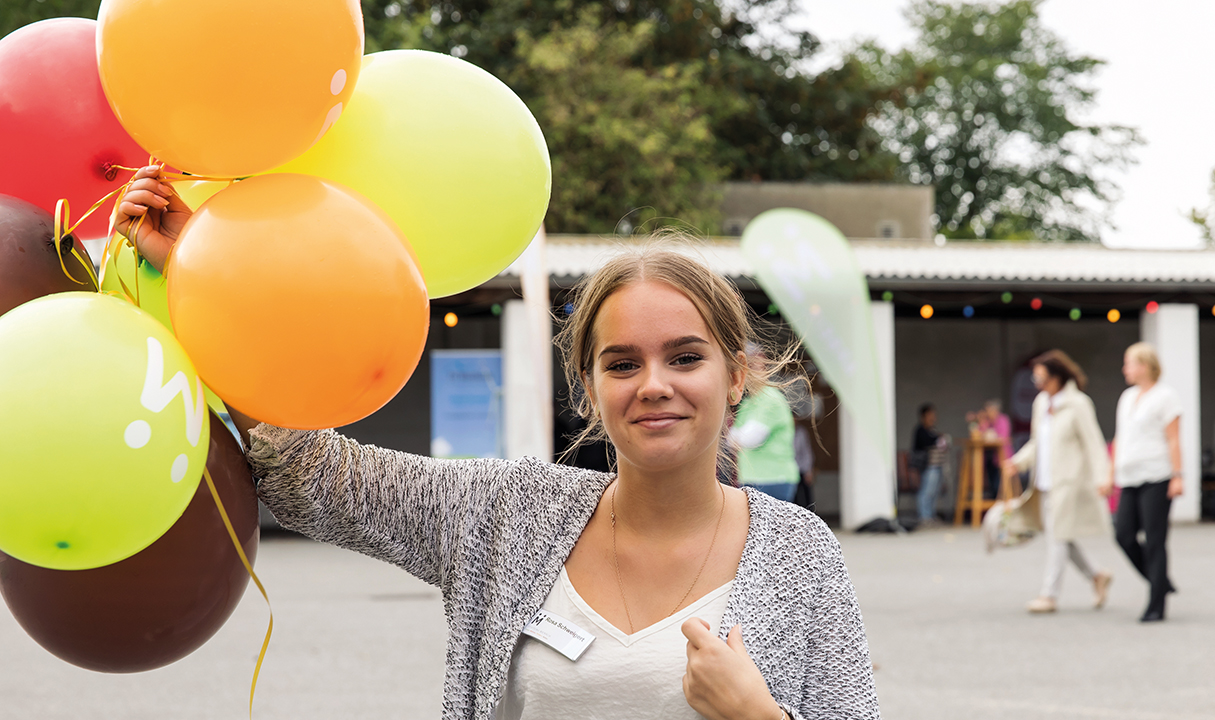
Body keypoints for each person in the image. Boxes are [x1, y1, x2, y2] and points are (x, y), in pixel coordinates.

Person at [114, 166, 879, 720]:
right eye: (621, 363)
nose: (653, 384)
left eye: (685, 357)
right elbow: (319, 477)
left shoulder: (800, 555)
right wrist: (199, 272)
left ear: (735, 376)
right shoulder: (509, 513)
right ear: (587, 386)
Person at [1002, 350, 1113, 614]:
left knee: (1058, 537)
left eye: (1041, 378)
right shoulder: (1041, 403)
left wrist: (1103, 476)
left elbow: (1093, 442)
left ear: (1057, 377)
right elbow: (1037, 442)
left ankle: (1049, 595)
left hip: (1069, 482)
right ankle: (1097, 575)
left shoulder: (1078, 404)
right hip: (1044, 483)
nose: (1037, 384)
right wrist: (1018, 462)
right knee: (1060, 536)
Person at [1108, 342, 1182, 623]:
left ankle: (1156, 603)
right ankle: (1159, 579)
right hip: (1129, 476)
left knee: (1155, 539)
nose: (1125, 368)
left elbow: (1174, 438)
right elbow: (1120, 437)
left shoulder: (1166, 397)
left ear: (1145, 365)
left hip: (1157, 475)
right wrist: (1109, 474)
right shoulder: (1127, 397)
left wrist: (1177, 475)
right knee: (1123, 534)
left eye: (1129, 363)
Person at [729, 346, 801, 502]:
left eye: (754, 366)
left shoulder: (770, 399)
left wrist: (736, 437)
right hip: (751, 477)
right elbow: (732, 438)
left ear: (764, 367)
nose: (748, 373)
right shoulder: (749, 401)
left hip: (773, 479)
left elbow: (749, 439)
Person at [912, 403, 948, 525]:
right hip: (928, 466)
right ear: (923, 416)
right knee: (926, 491)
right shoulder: (920, 430)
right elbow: (926, 443)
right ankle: (924, 517)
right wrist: (938, 438)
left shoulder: (933, 430)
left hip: (937, 465)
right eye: (930, 415)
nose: (933, 417)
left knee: (934, 492)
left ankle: (931, 516)